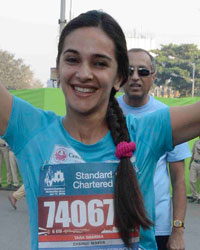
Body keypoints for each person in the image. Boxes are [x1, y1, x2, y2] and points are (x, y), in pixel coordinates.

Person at [0, 10, 200, 250]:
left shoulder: (147, 132)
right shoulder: (30, 129)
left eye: (100, 63)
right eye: (72, 59)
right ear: (58, 70)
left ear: (119, 78)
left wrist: (177, 228)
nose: (84, 74)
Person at [117, 48, 191, 250]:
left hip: (157, 227)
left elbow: (178, 180)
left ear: (153, 77)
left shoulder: (167, 117)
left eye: (142, 72)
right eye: (129, 70)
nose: (135, 77)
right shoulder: (104, 113)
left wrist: (177, 231)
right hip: (113, 225)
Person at [189, 137, 200, 203]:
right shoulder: (196, 142)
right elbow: (193, 153)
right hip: (194, 163)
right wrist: (190, 163)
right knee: (192, 181)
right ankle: (194, 196)